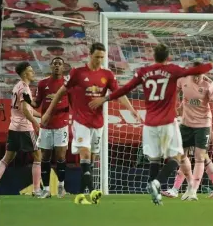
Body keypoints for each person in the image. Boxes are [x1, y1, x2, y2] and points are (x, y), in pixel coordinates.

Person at [89, 44, 213, 205]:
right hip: (168, 123)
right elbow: (194, 71)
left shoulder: (143, 72)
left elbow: (126, 88)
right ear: (167, 57)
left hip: (150, 124)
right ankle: (163, 183)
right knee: (177, 157)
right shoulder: (173, 70)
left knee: (155, 160)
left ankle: (161, 190)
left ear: (153, 56)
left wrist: (106, 98)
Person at [41, 43, 140, 205]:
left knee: (91, 160)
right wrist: (48, 112)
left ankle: (80, 195)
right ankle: (93, 190)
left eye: (102, 57)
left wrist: (131, 109)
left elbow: (118, 93)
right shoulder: (78, 73)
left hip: (98, 122)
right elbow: (61, 91)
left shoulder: (107, 75)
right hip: (81, 121)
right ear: (90, 55)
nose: (99, 60)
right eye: (97, 57)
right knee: (85, 155)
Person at [162, 63, 213, 200]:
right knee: (181, 155)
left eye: (200, 75)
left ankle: (192, 190)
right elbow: (175, 93)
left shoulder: (209, 85)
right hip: (186, 124)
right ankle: (203, 185)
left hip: (203, 124)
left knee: (200, 156)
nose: (197, 79)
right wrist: (178, 106)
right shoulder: (183, 79)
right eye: (195, 75)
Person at [22, 57, 69, 198]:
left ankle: (61, 186)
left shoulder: (68, 84)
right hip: (46, 126)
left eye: (59, 64)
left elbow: (74, 102)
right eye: (54, 64)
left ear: (63, 67)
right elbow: (37, 103)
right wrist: (29, 101)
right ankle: (47, 189)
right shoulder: (43, 84)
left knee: (61, 156)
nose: (57, 66)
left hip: (62, 125)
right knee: (45, 157)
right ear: (51, 66)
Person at [0, 62, 42, 196]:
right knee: (38, 156)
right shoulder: (24, 89)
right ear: (24, 73)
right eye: (30, 70)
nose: (33, 73)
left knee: (6, 159)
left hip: (13, 127)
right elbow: (25, 111)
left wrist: (41, 115)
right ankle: (36, 190)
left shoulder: (18, 86)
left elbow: (27, 109)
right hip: (24, 128)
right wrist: (36, 122)